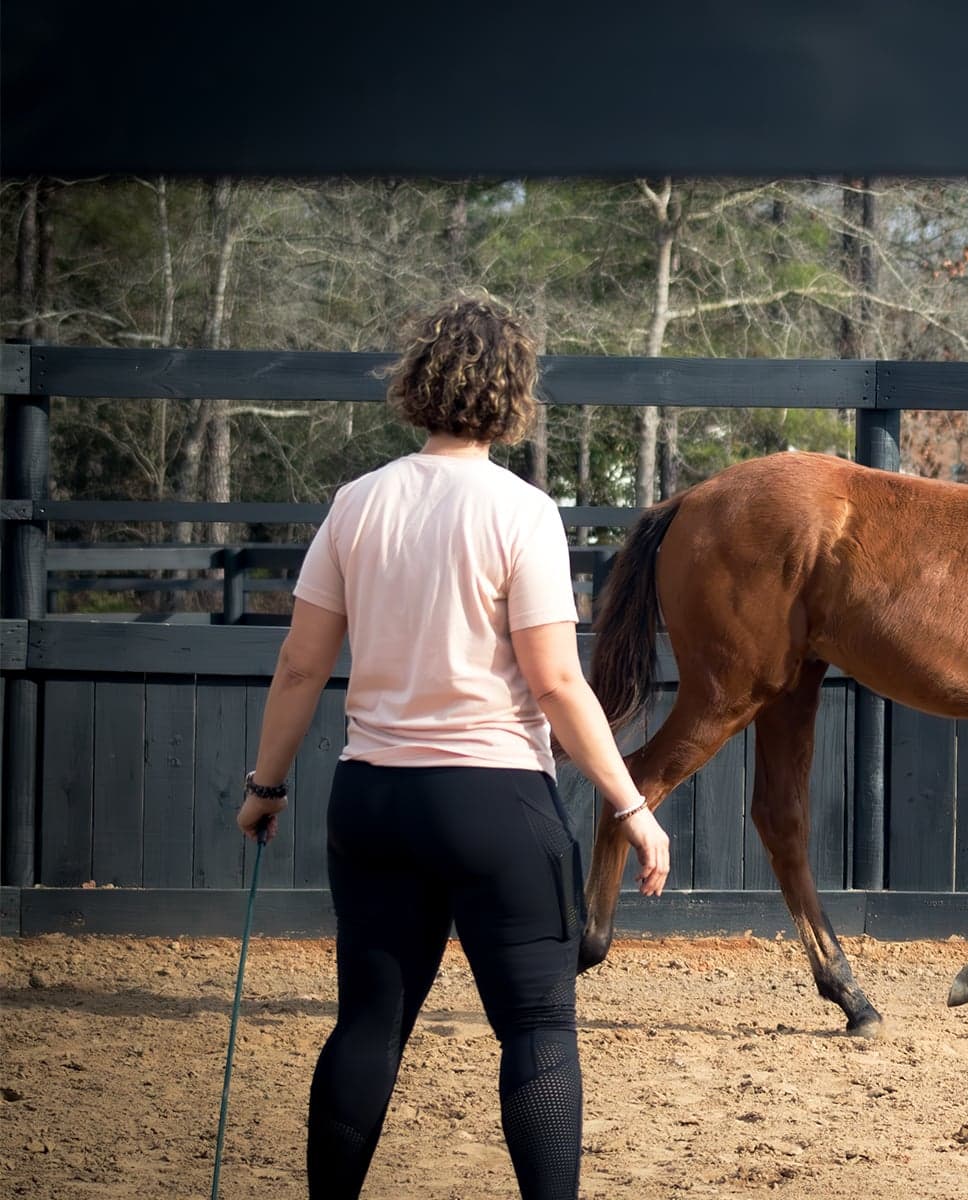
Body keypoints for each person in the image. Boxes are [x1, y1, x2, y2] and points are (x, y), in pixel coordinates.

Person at [235, 290, 671, 1200]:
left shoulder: (356, 503)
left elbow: (298, 666)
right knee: (539, 1030)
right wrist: (630, 805)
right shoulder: (522, 511)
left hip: (375, 802)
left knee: (367, 1026)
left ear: (417, 381)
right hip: (494, 803)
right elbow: (554, 680)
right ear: (512, 392)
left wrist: (267, 786)